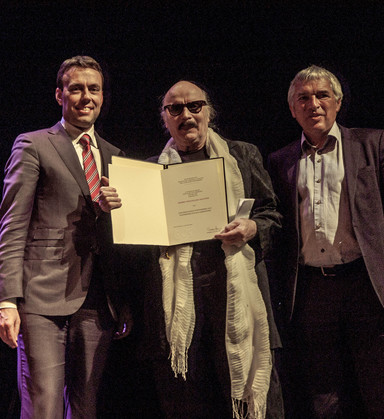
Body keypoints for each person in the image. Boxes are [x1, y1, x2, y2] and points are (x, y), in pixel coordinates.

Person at [267, 65, 384, 418]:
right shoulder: (280, 161)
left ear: (338, 102)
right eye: (304, 98)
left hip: (367, 286)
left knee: (382, 398)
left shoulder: (372, 143)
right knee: (323, 399)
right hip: (311, 292)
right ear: (293, 110)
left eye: (322, 95)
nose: (314, 104)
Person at [0, 55, 132, 418]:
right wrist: (7, 298)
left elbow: (126, 238)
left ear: (103, 96)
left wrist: (116, 213)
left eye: (94, 89)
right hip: (40, 296)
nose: (86, 96)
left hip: (97, 300)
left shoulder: (117, 157)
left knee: (85, 408)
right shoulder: (34, 145)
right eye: (77, 88)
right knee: (44, 406)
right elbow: (12, 224)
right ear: (59, 95)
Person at [139, 81, 284, 419]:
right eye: (175, 108)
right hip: (178, 301)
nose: (186, 115)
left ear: (208, 111)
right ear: (165, 118)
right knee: (185, 401)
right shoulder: (149, 172)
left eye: (194, 106)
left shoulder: (243, 155)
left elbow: (272, 214)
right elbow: (136, 244)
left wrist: (252, 228)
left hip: (234, 291)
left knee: (251, 404)